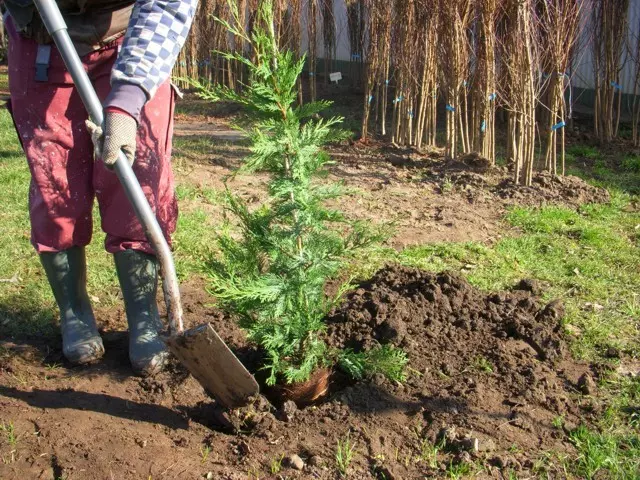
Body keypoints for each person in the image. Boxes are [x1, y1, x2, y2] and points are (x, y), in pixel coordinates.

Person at [2, 0, 197, 376]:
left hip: (131, 40)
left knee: (139, 184)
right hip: (42, 44)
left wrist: (127, 101)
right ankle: (74, 312)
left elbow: (169, 5)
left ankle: (145, 318)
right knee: (54, 186)